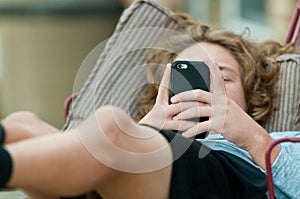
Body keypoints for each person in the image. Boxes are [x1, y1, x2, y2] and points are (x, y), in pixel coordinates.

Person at [0, 13, 299, 199]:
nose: (207, 90)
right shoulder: (143, 132)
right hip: (143, 166)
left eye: (223, 77)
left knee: (110, 127)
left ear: (250, 97)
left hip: (231, 181)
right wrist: (148, 127)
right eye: (190, 77)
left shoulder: (281, 142)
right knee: (25, 123)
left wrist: (252, 136)